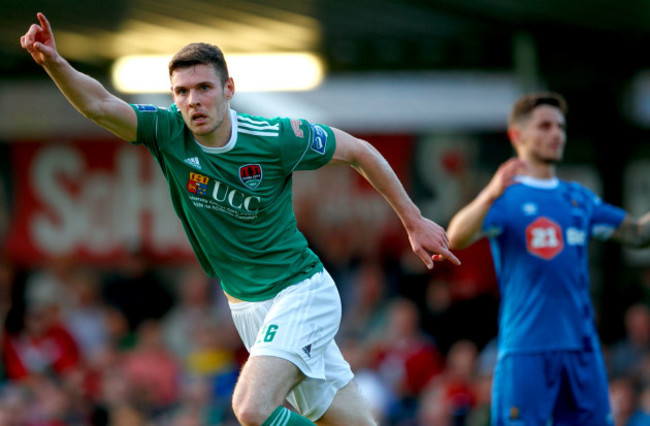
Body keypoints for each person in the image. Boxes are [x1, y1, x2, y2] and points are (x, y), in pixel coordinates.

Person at [20, 12, 460, 426]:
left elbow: (360, 152)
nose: (193, 101)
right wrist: (55, 63)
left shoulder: (275, 139)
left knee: (250, 408)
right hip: (247, 308)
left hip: (299, 292)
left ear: (229, 88)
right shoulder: (167, 132)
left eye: (204, 88)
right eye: (182, 92)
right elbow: (99, 104)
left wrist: (413, 220)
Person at [446, 91, 650, 425]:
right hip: (527, 349)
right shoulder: (505, 198)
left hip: (582, 349)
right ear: (518, 135)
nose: (556, 134)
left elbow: (639, 234)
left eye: (560, 127)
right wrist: (489, 193)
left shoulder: (578, 199)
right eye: (544, 126)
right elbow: (455, 236)